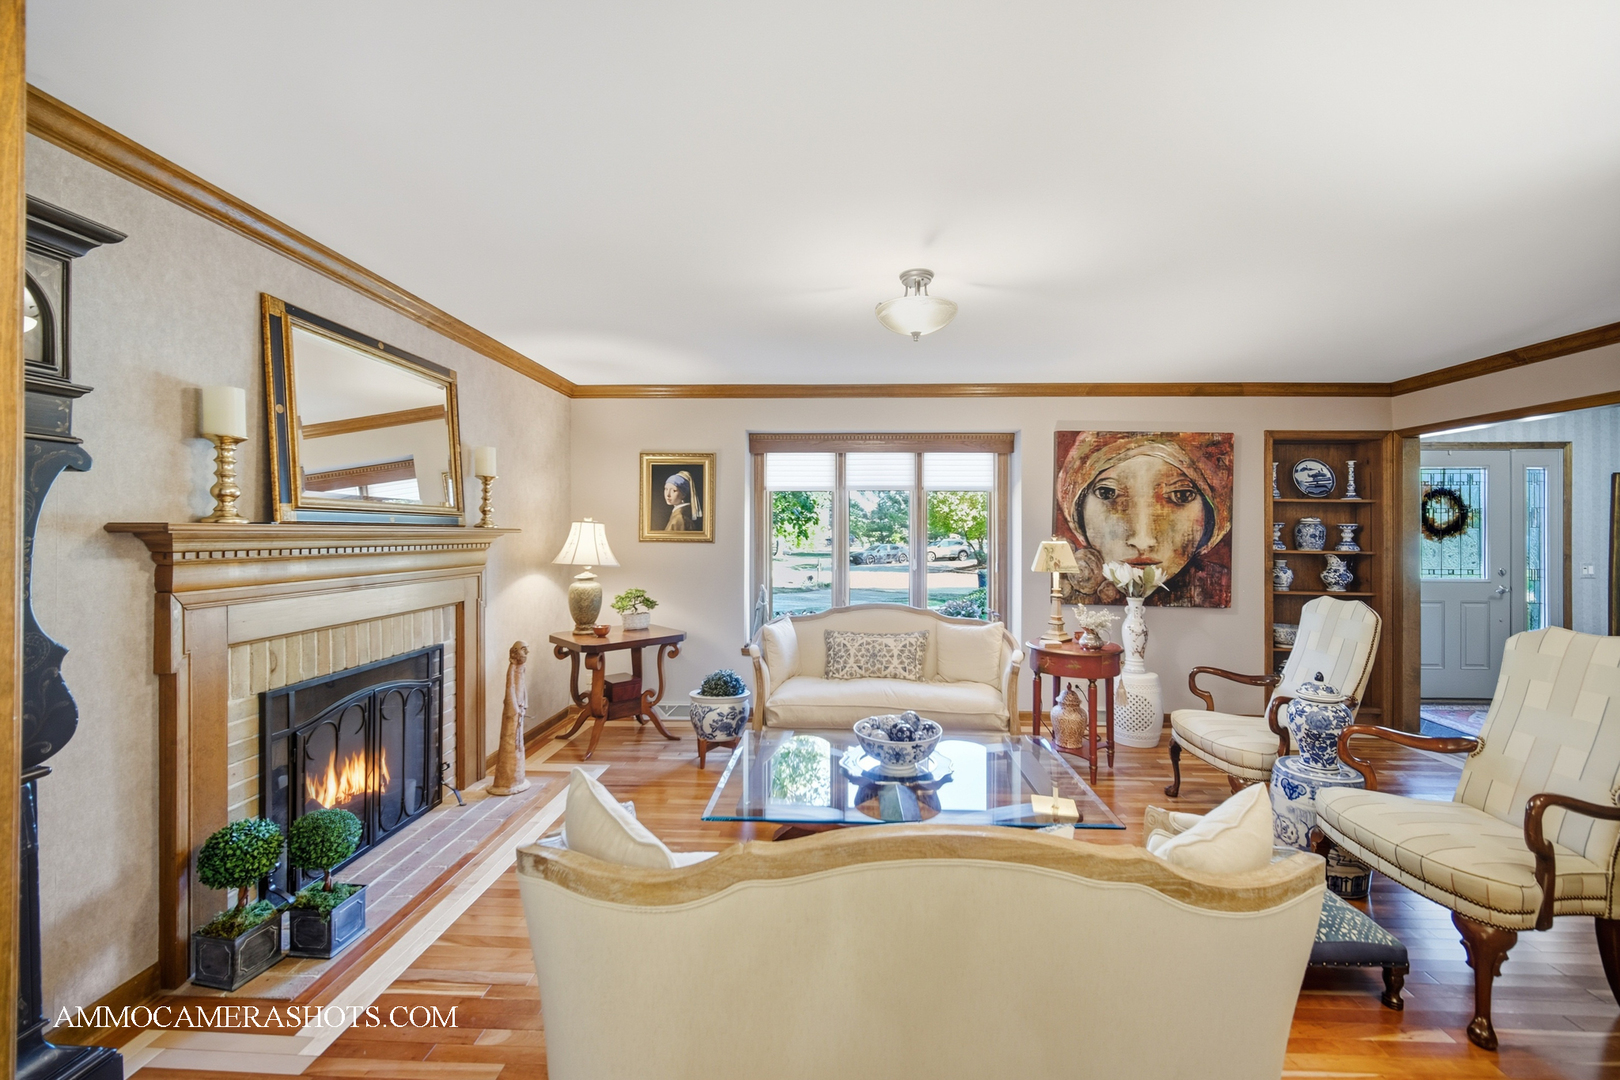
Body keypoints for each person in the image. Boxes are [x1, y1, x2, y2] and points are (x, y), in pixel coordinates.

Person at [1054, 432, 1232, 607]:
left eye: (1181, 495)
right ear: (1077, 508)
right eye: (1107, 493)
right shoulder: (1070, 592)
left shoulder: (1220, 588)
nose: (1142, 541)